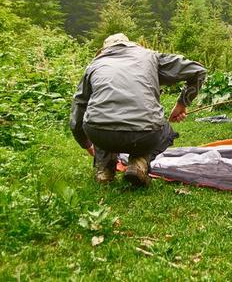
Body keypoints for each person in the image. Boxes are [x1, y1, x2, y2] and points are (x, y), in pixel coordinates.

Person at [70, 33, 206, 186]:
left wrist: (87, 144)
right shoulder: (151, 57)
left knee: (100, 117)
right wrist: (182, 104)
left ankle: (104, 169)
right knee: (166, 131)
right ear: (131, 45)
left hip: (100, 134)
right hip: (145, 135)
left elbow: (77, 114)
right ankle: (139, 163)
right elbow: (197, 70)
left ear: (105, 50)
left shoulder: (94, 65)